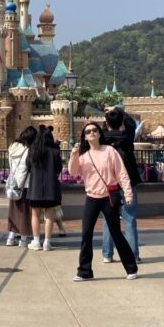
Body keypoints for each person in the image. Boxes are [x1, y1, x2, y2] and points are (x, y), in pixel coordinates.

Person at [68, 123, 138, 282]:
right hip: (91, 197)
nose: (91, 133)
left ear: (99, 133)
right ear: (85, 137)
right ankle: (84, 271)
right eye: (88, 131)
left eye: (94, 130)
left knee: (116, 233)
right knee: (86, 234)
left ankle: (131, 267)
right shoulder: (84, 156)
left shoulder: (109, 151)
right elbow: (73, 172)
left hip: (108, 197)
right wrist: (74, 155)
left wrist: (128, 193)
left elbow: (121, 173)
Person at [101, 106, 142, 264]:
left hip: (109, 183)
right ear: (121, 123)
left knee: (108, 219)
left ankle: (107, 253)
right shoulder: (127, 136)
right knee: (129, 219)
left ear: (107, 123)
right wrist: (118, 109)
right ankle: (133, 255)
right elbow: (131, 122)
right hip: (128, 181)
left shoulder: (103, 139)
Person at [27, 126, 63, 251]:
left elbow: (28, 167)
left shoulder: (32, 151)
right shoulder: (54, 152)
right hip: (51, 188)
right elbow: (59, 168)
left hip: (35, 188)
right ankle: (47, 242)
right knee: (49, 216)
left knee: (35, 215)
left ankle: (36, 241)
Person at [6, 127, 36, 247]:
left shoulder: (13, 147)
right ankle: (23, 239)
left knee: (14, 211)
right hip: (24, 184)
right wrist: (21, 183)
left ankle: (10, 238)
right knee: (25, 212)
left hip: (13, 183)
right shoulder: (28, 150)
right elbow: (24, 168)